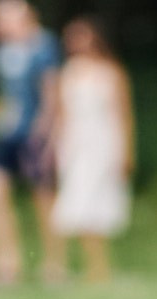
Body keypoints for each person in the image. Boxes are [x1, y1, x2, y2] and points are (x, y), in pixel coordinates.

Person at [0, 0, 63, 285]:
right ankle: (7, 259)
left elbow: (51, 92)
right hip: (8, 133)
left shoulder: (43, 46)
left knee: (43, 197)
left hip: (35, 132)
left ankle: (54, 263)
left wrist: (47, 133)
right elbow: (8, 94)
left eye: (3, 18)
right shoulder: (5, 51)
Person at [47, 17, 134, 283]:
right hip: (75, 145)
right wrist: (55, 145)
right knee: (75, 203)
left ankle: (98, 267)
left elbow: (123, 115)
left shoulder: (111, 72)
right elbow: (60, 114)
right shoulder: (68, 72)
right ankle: (69, 265)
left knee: (97, 204)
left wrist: (127, 151)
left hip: (103, 143)